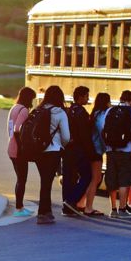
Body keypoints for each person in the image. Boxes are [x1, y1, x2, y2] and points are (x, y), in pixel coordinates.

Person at [35, 85, 71, 225]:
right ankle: (42, 213)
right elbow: (66, 137)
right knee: (46, 183)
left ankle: (47, 211)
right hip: (53, 151)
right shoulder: (60, 112)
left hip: (38, 151)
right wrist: (61, 144)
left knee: (44, 181)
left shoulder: (38, 109)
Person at [104, 90, 131, 218]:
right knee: (124, 180)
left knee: (112, 179)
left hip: (111, 150)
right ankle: (123, 209)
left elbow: (104, 130)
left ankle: (113, 209)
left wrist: (107, 146)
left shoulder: (110, 111)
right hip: (126, 150)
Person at [77, 92, 112, 217]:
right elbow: (103, 130)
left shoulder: (94, 114)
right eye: (109, 101)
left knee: (94, 178)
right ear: (106, 102)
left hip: (93, 149)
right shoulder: (102, 115)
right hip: (96, 150)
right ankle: (88, 207)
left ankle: (82, 203)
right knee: (95, 179)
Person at [61, 86, 94, 217]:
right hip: (78, 149)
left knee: (69, 177)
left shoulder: (68, 111)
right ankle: (72, 200)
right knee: (87, 175)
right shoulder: (81, 113)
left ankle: (66, 205)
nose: (88, 98)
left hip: (67, 148)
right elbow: (84, 135)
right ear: (80, 97)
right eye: (86, 96)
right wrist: (90, 152)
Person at [7, 87, 37, 217]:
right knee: (22, 179)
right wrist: (22, 147)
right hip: (19, 150)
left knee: (20, 179)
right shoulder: (24, 110)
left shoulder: (14, 107)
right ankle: (19, 208)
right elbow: (17, 129)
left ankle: (20, 206)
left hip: (11, 147)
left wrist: (13, 142)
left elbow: (10, 129)